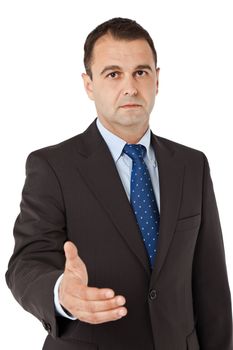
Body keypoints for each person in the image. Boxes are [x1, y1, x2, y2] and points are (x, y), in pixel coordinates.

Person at [5, 17, 233, 350]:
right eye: (113, 74)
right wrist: (61, 293)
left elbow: (211, 285)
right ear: (89, 85)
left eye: (141, 72)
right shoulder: (52, 167)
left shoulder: (191, 165)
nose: (130, 87)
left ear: (157, 80)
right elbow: (26, 263)